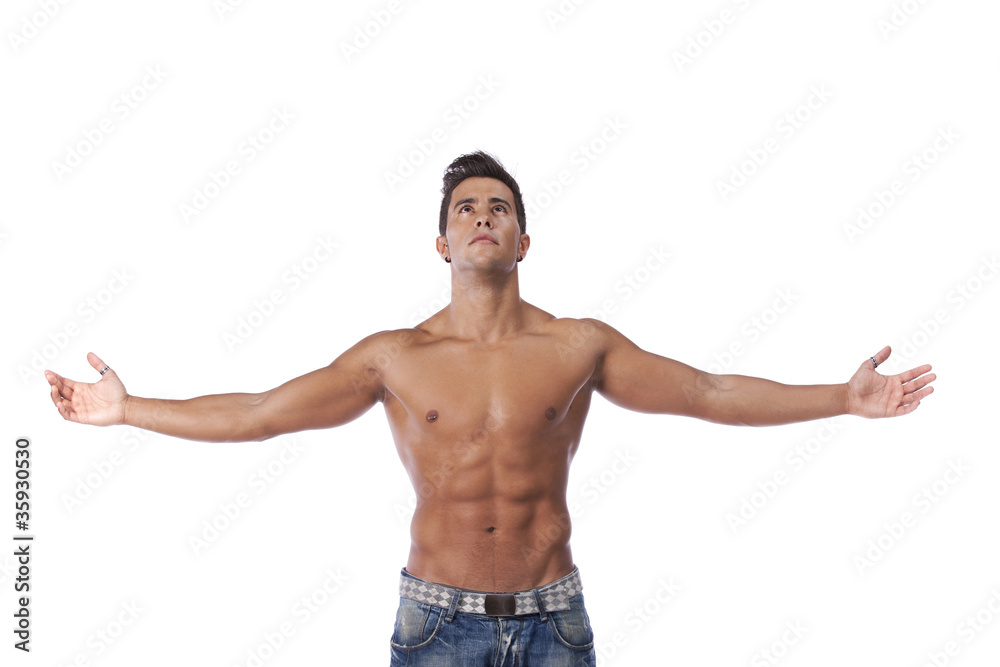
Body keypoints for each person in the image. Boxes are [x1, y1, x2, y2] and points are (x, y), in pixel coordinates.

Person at [45, 150, 936, 666]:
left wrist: (842, 398)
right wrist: (128, 409)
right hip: (434, 620)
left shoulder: (578, 345)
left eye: (499, 208)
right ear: (441, 241)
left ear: (523, 238)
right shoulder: (395, 356)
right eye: (465, 208)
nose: (482, 217)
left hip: (554, 616)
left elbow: (708, 393)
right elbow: (262, 412)